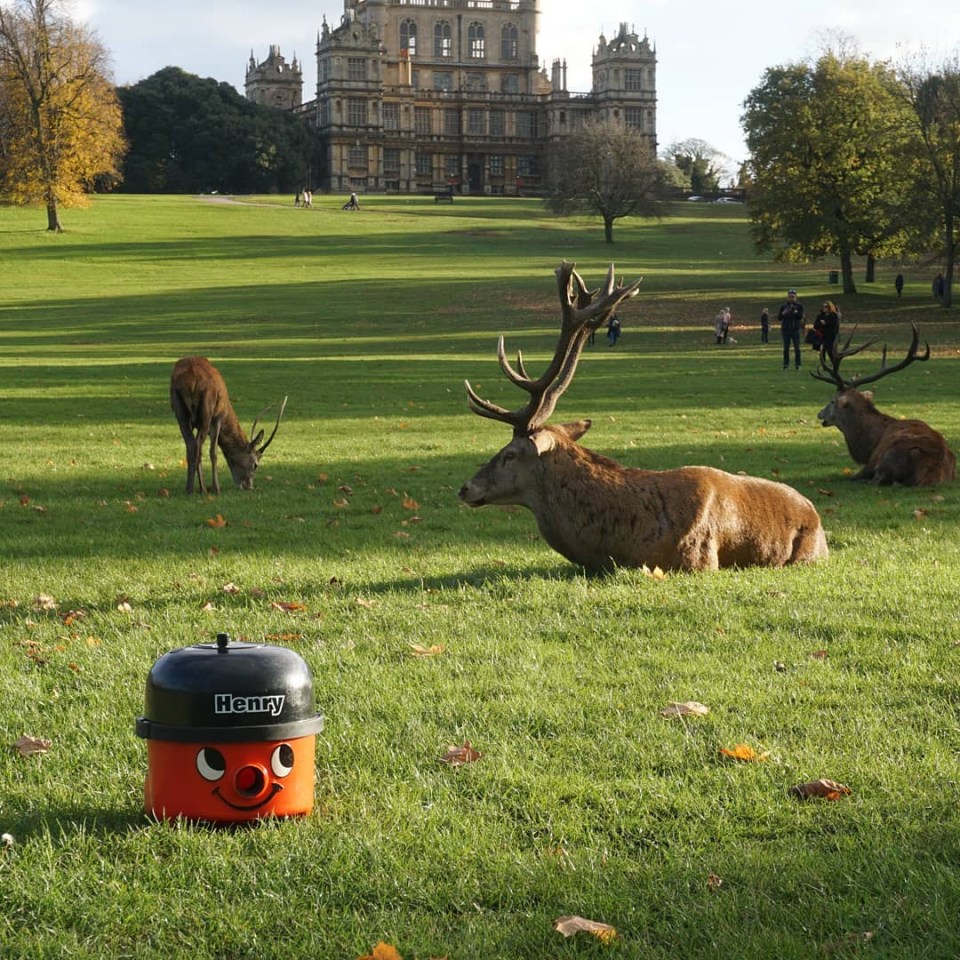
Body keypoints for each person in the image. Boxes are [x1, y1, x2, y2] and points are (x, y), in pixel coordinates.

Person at [777, 288, 804, 369]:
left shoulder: (799, 306)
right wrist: (783, 313)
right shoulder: (784, 306)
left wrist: (796, 313)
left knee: (797, 347)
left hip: (795, 329)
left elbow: (800, 317)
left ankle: (798, 364)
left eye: (793, 296)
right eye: (790, 296)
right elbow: (779, 318)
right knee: (786, 348)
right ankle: (786, 364)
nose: (791, 298)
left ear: (796, 297)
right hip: (786, 329)